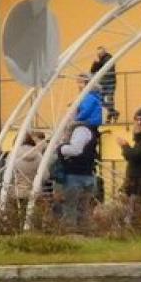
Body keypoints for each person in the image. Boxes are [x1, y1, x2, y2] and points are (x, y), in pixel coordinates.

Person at [53, 84, 102, 228]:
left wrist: (60, 148)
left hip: (76, 176)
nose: (67, 116)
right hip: (83, 174)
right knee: (81, 210)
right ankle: (82, 233)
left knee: (72, 210)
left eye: (70, 112)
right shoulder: (84, 129)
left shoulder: (81, 129)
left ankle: (73, 235)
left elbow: (76, 150)